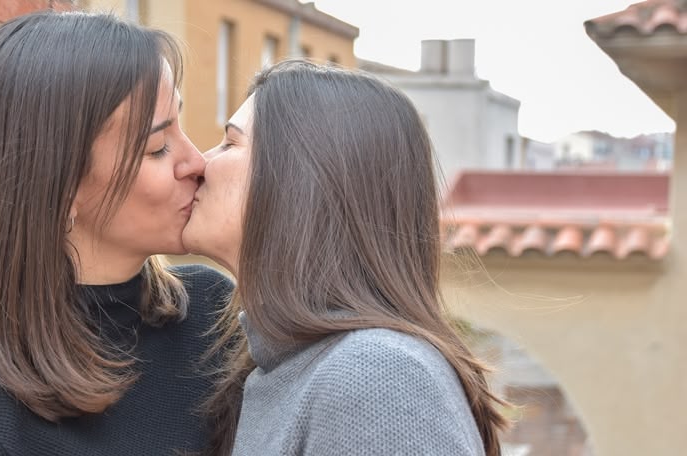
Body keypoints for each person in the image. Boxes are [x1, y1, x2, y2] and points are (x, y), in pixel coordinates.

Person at [0, 11, 233, 455]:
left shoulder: (215, 318)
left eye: (181, 129)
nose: (196, 162)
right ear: (59, 186)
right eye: (157, 147)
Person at [183, 60, 510, 456]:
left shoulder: (375, 375)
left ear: (300, 180)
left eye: (230, 143)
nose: (200, 162)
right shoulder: (281, 370)